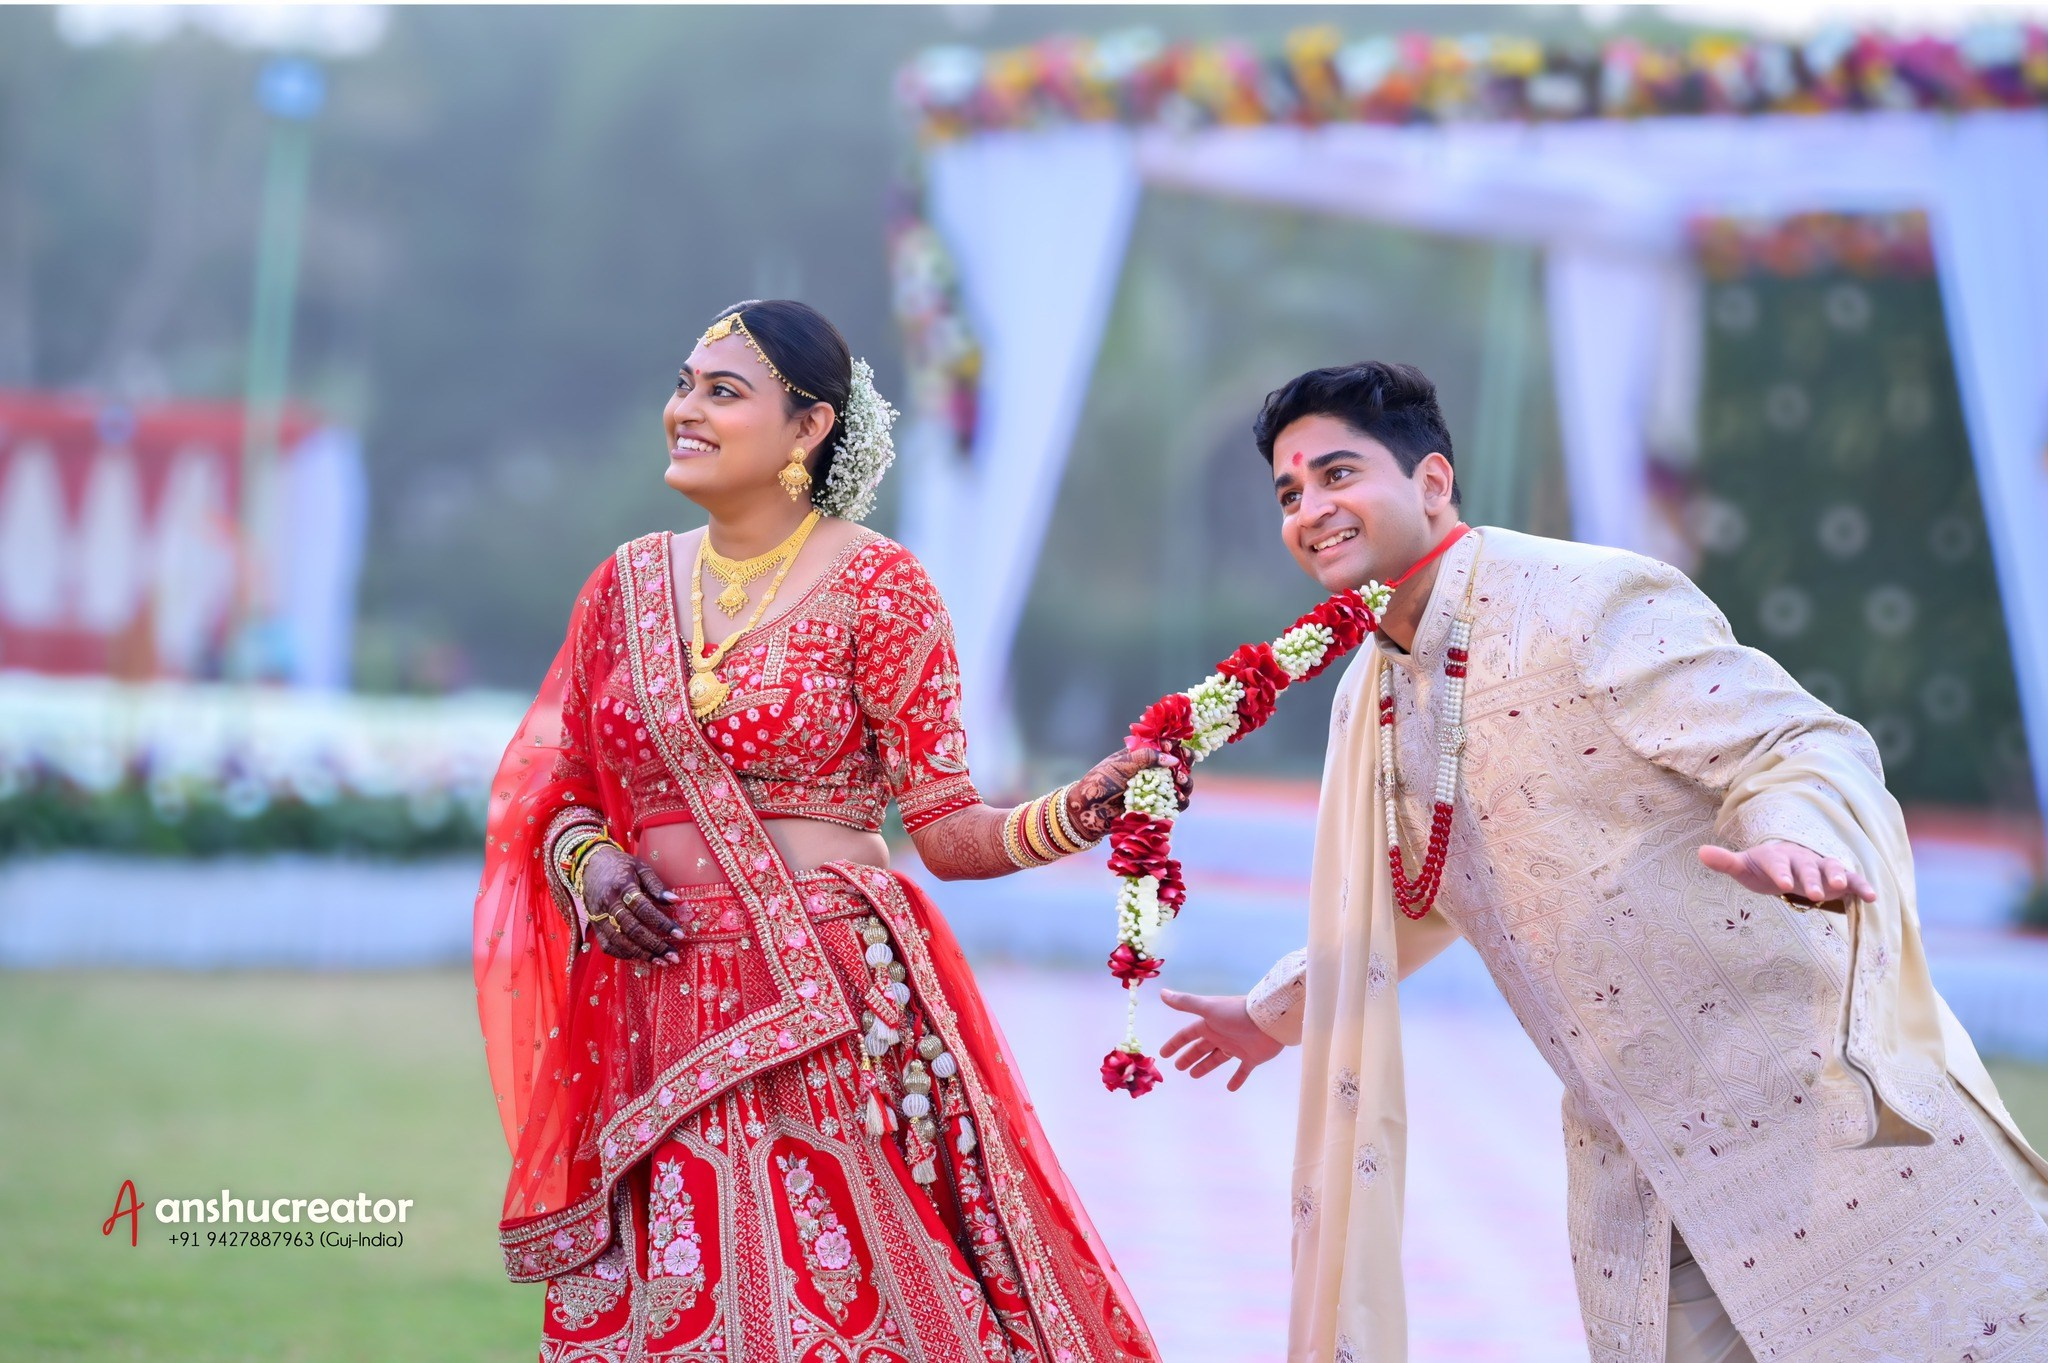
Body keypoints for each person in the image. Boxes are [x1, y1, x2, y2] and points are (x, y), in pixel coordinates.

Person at [1158, 361, 2048, 1363]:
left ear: (1432, 481)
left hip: (1806, 1118)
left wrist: (1793, 831)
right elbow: (1422, 887)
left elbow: (1798, 741)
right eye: (1289, 493)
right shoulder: (1376, 691)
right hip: (1635, 1162)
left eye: (1336, 474)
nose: (1310, 510)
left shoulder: (1580, 601)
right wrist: (1277, 1010)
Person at [475, 299, 1174, 1362]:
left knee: (841, 1313)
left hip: (822, 1006)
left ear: (808, 427)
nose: (685, 411)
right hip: (649, 1006)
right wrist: (592, 861)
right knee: (674, 1314)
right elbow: (561, 785)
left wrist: (1077, 810)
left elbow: (947, 829)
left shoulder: (879, 586)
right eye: (683, 386)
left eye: (722, 392)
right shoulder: (624, 587)